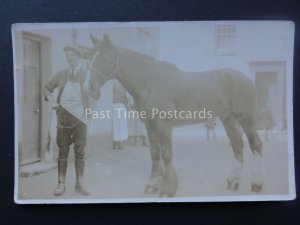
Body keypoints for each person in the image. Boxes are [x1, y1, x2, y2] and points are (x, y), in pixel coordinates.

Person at [44, 46, 93, 196]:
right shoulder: (61, 74)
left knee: (80, 152)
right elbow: (47, 88)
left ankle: (80, 184)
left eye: (72, 55)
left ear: (78, 57)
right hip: (63, 116)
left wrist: (89, 105)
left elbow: (96, 94)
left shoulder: (86, 75)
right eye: (67, 55)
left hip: (81, 119)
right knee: (63, 151)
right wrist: (53, 102)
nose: (69, 58)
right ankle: (61, 184)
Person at [112, 79, 128, 150]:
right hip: (114, 107)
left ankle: (120, 143)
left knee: (120, 125)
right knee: (115, 125)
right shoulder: (111, 89)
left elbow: (125, 99)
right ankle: (116, 143)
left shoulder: (123, 88)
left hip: (121, 107)